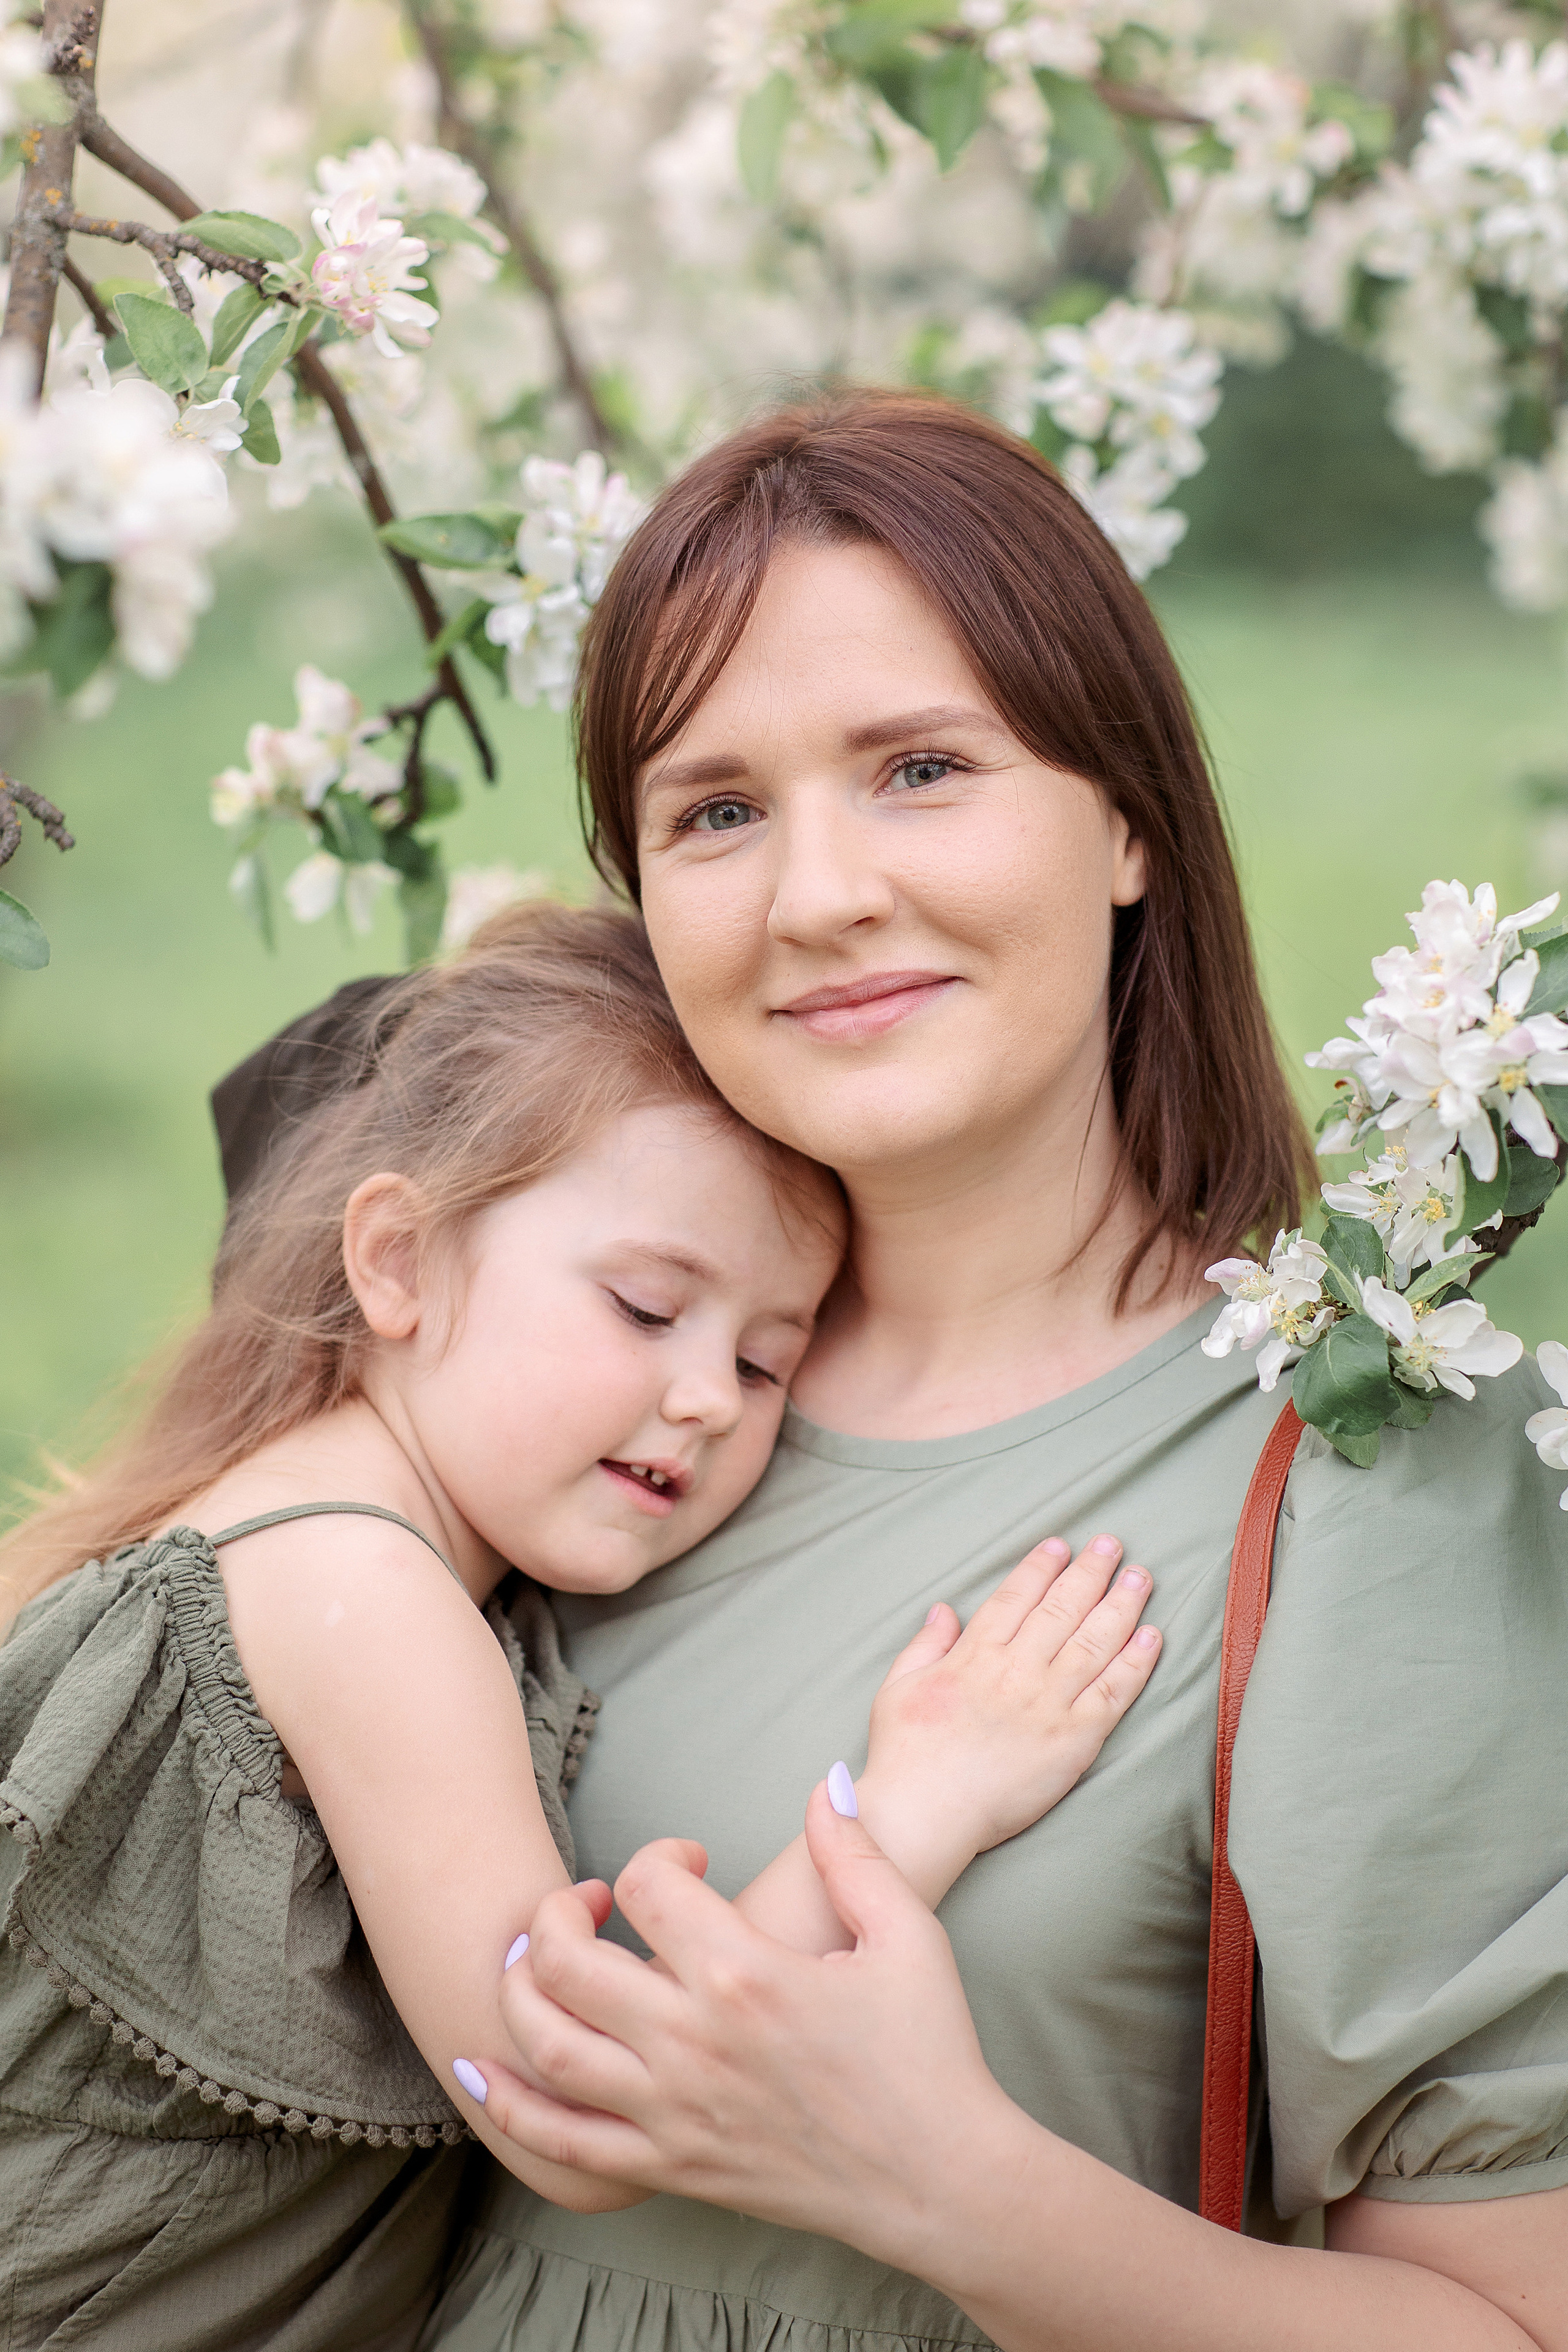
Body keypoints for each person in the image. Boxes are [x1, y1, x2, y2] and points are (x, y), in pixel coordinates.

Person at [420, 393, 1568, 2351]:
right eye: (716, 811)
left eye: (921, 769)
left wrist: (942, 2186)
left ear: (1127, 820)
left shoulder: (1372, 1479)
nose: (817, 897)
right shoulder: (558, 1352)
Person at [0, 902, 1161, 2351]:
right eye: (644, 1308)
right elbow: (566, 2096)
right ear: (398, 1261)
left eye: (764, 1361)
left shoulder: (324, 1531)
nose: (707, 1398)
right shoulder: (364, 1599)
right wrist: (921, 1804)